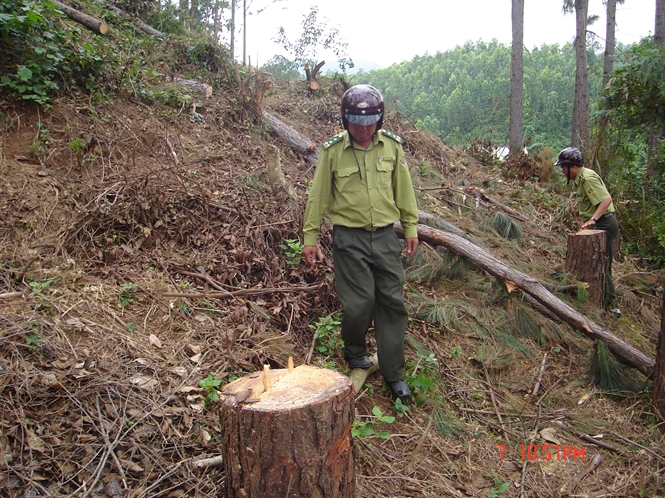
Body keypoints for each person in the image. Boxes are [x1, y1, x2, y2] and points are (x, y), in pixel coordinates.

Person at [302, 84, 419, 402]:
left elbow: (404, 189)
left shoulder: (392, 147)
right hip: (349, 239)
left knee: (392, 303)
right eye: (356, 122)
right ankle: (355, 350)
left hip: (385, 237)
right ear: (345, 120)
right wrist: (310, 236)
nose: (363, 129)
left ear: (379, 121)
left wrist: (410, 227)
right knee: (359, 304)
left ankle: (394, 373)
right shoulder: (333, 151)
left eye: (369, 123)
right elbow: (318, 196)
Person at [554, 147, 621, 316]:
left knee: (603, 264)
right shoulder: (581, 179)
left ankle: (612, 305)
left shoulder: (587, 178)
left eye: (563, 167)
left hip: (605, 223)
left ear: (573, 167)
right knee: (592, 261)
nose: (562, 172)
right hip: (599, 224)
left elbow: (606, 200)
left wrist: (593, 219)